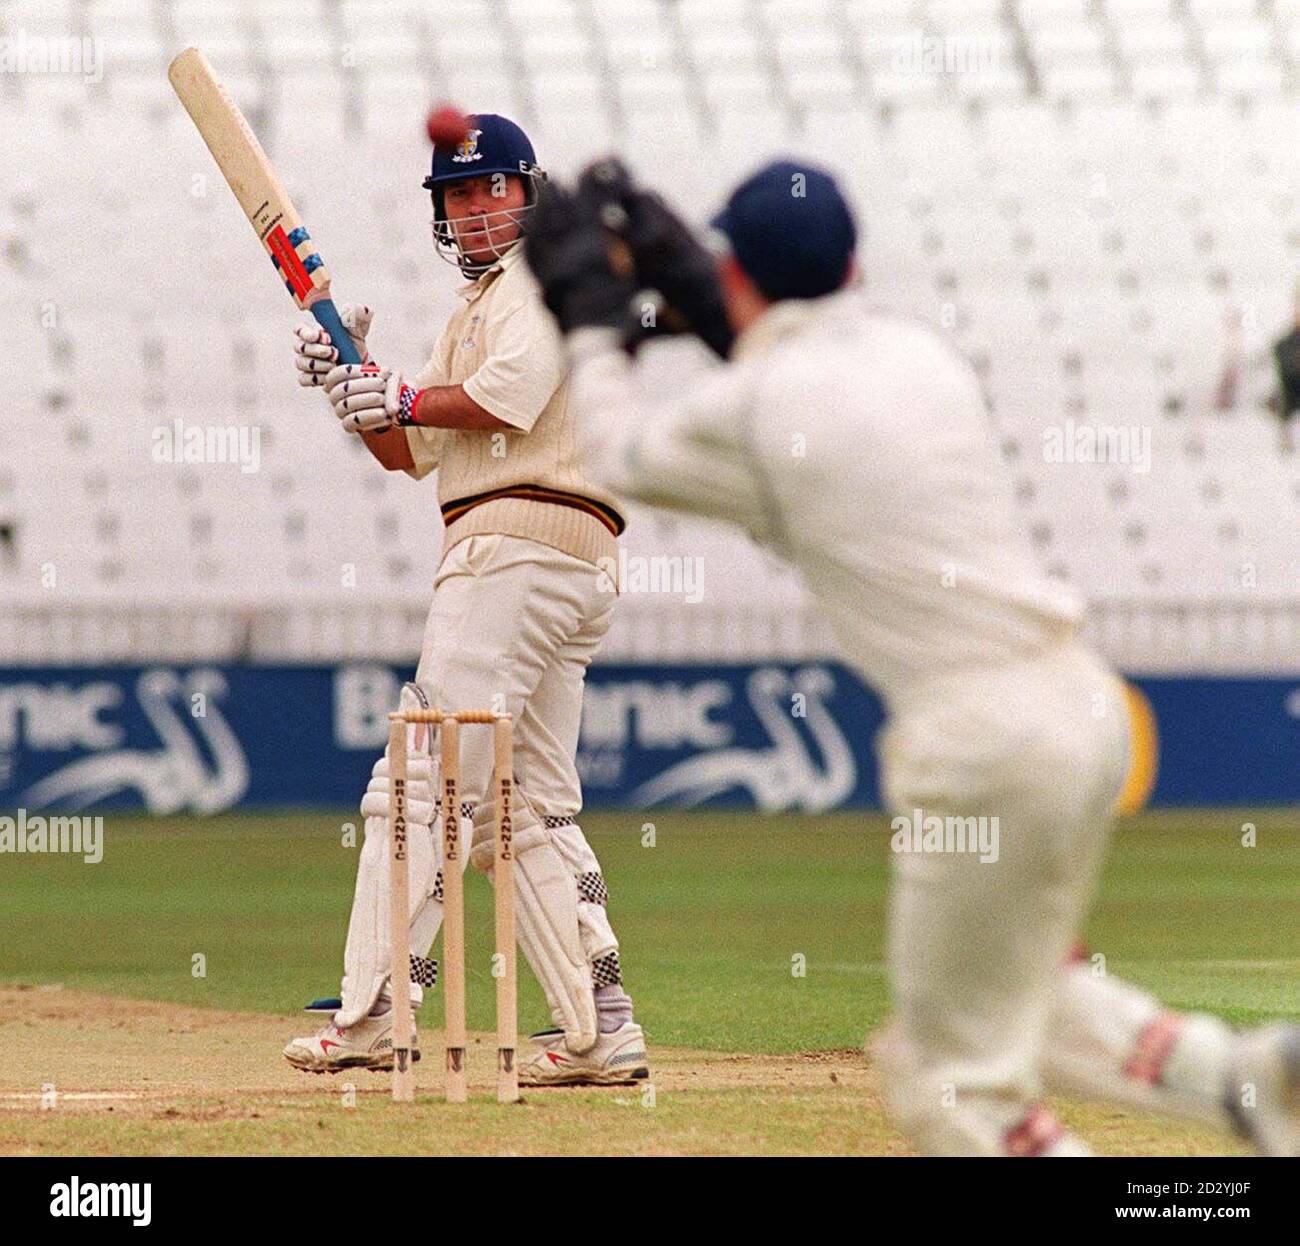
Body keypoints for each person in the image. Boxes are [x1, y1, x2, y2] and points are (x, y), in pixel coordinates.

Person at [523, 157, 1299, 1154]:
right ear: (848, 267)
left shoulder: (755, 409)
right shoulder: (914, 355)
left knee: (944, 1083)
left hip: (979, 745)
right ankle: (1242, 1082)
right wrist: (704, 296)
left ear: (739, 276)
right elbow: (791, 399)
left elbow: (621, 452)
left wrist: (594, 320)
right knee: (1027, 994)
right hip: (1079, 709)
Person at [281, 115, 648, 1086]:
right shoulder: (474, 307)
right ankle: (599, 1024)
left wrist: (395, 391)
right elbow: (415, 451)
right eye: (458, 193)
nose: (476, 208)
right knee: (523, 810)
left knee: (418, 777)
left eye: (493, 188)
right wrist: (352, 388)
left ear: (528, 193)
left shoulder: (536, 283)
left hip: (513, 550)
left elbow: (509, 396)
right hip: (566, 561)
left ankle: (371, 1010)